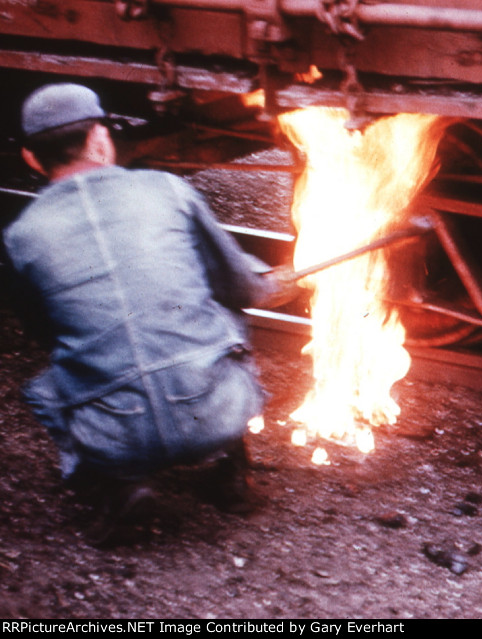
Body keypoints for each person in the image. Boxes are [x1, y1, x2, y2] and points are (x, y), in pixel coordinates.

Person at [3, 83, 296, 544]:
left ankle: (120, 486)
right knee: (222, 307)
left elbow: (44, 331)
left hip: (113, 436)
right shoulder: (168, 190)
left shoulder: (22, 236)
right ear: (101, 140)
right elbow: (244, 289)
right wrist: (277, 281)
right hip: (213, 412)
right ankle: (230, 475)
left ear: (31, 159)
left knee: (47, 384)